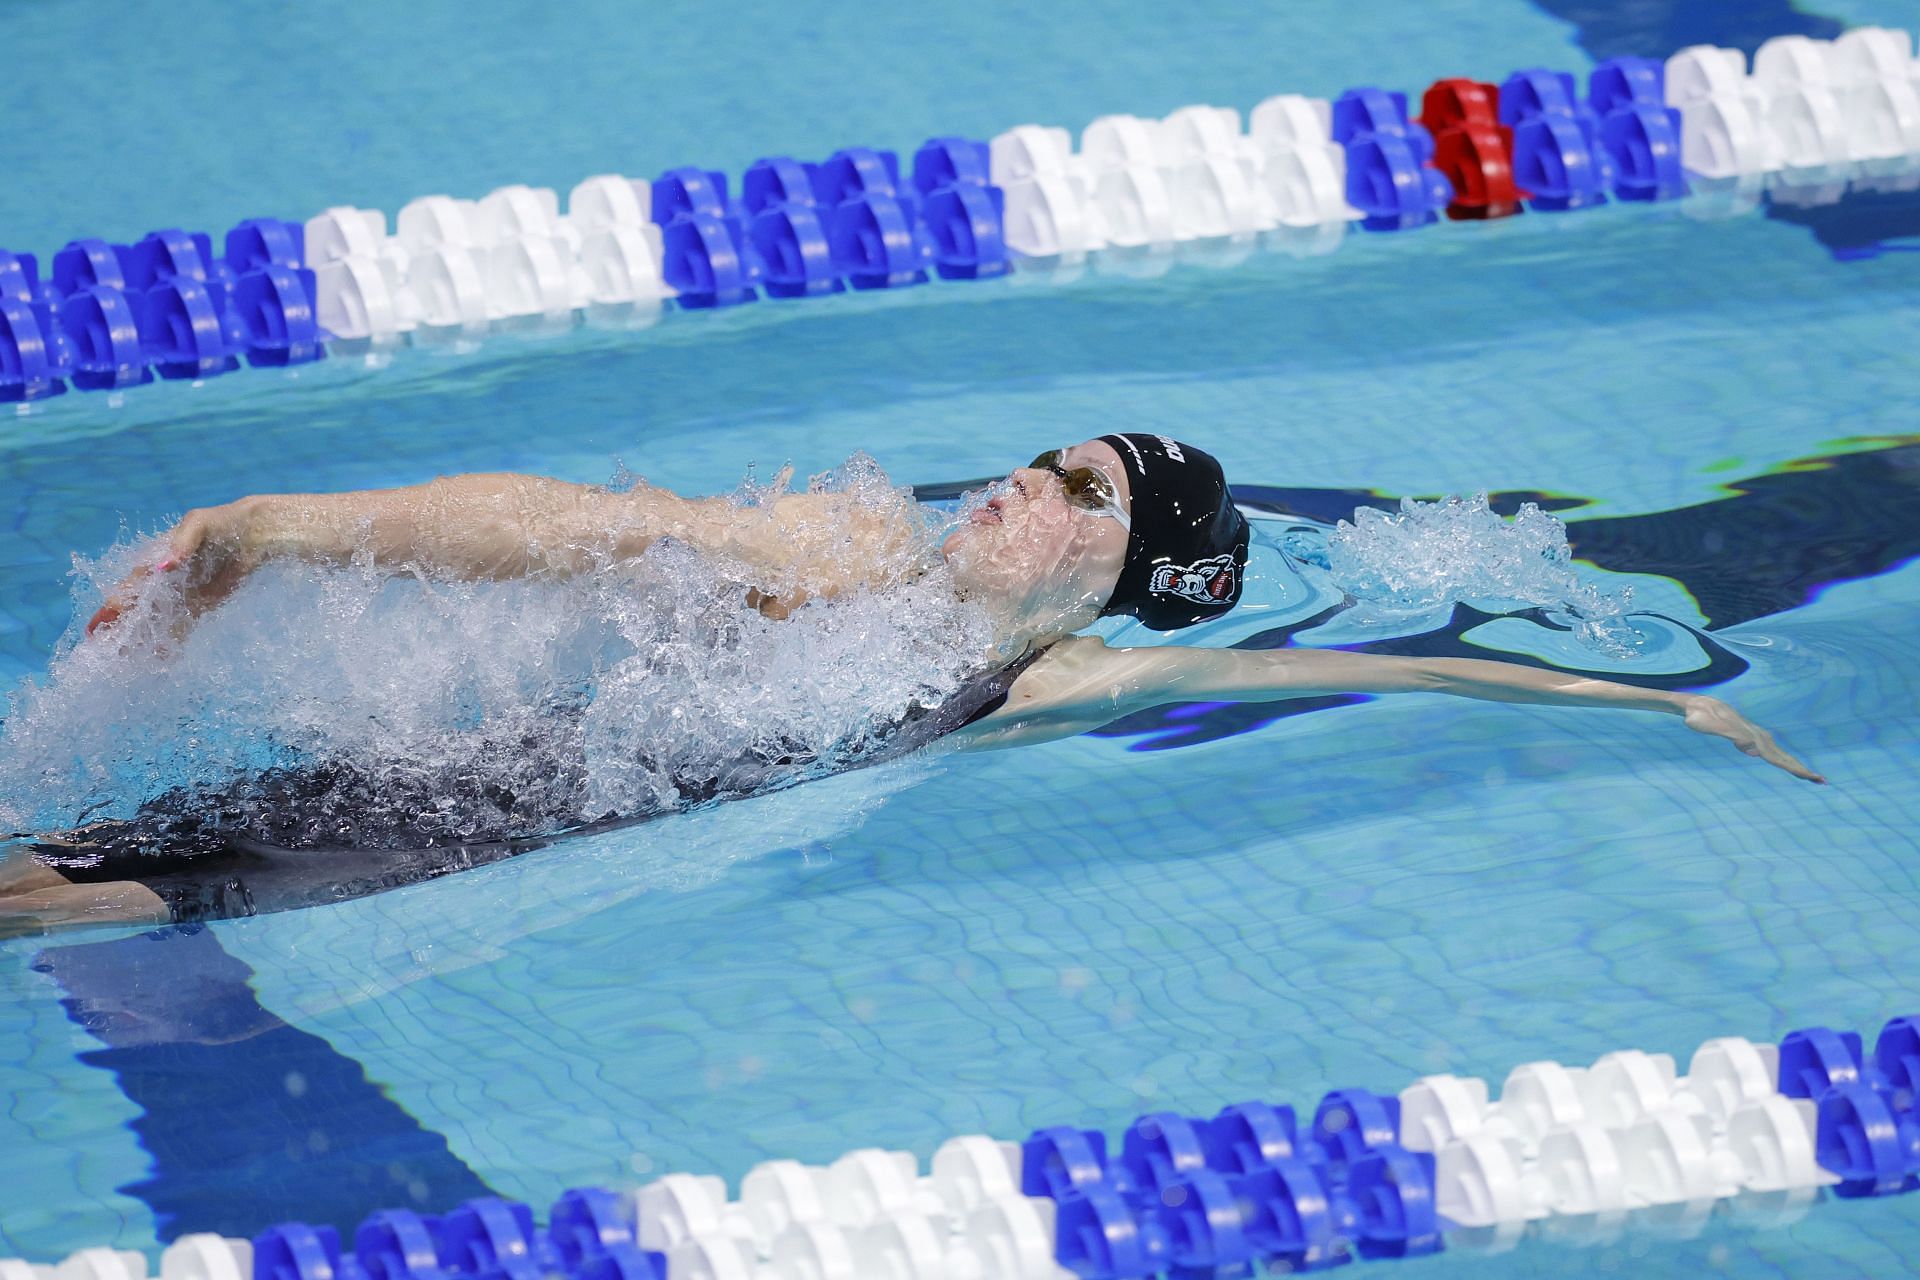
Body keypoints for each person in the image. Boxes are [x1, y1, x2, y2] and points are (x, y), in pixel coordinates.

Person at [0, 435, 1822, 937]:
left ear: (1119, 578)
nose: (1029, 484)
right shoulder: (849, 554)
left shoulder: (1036, 681)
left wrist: (1662, 707)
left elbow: (1369, 664)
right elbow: (568, 529)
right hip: (461, 793)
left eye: (1082, 496)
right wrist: (296, 526)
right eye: (1048, 462)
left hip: (476, 828)